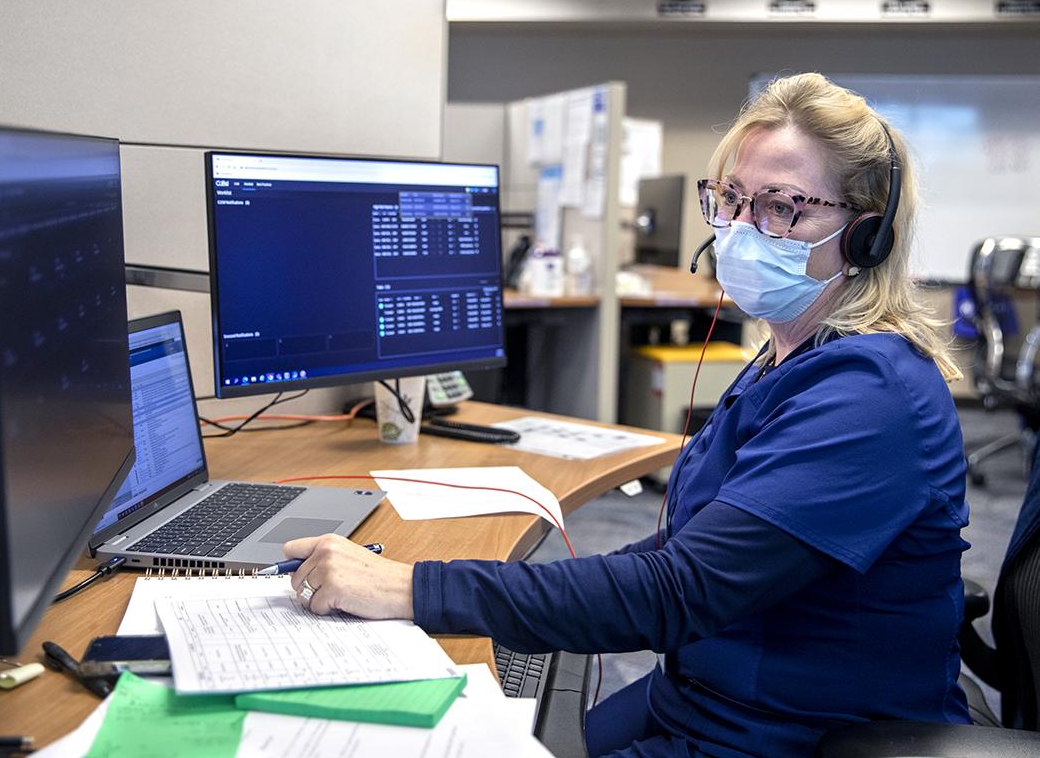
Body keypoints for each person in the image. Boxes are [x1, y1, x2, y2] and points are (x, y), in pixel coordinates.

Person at [282, 73, 972, 757]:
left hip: (789, 735)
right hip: (700, 696)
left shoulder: (872, 396)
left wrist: (415, 586)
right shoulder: (789, 357)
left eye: (781, 207)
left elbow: (683, 589)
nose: (738, 230)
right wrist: (466, 585)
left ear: (866, 237)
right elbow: (688, 552)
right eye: (730, 198)